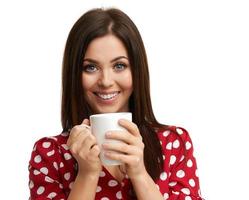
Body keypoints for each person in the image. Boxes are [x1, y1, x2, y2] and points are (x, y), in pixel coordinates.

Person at [28, 8, 203, 200]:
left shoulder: (173, 143)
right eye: (91, 67)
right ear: (74, 75)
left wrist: (139, 173)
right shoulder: (50, 154)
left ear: (136, 71)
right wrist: (87, 174)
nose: (106, 81)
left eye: (119, 66)